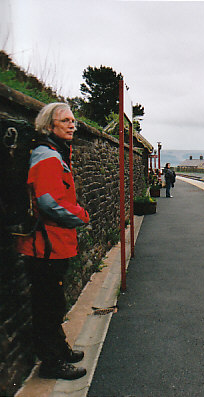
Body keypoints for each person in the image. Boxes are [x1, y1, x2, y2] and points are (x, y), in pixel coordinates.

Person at [17, 102, 90, 380]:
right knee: (47, 305)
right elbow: (48, 203)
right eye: (65, 121)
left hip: (55, 244)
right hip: (45, 246)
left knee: (54, 301)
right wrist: (81, 215)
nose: (72, 125)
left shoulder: (56, 152)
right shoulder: (47, 156)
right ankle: (51, 363)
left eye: (73, 121)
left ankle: (59, 349)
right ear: (49, 125)